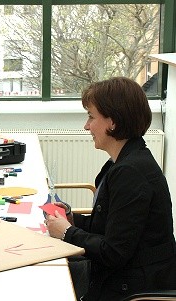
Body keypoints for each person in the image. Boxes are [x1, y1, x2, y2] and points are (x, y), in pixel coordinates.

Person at [45, 77, 176, 301]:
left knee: (47, 285)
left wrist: (67, 232)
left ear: (112, 122)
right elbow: (110, 226)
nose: (86, 126)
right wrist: (72, 220)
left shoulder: (131, 173)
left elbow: (113, 252)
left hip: (130, 284)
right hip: (122, 272)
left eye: (91, 117)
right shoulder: (123, 162)